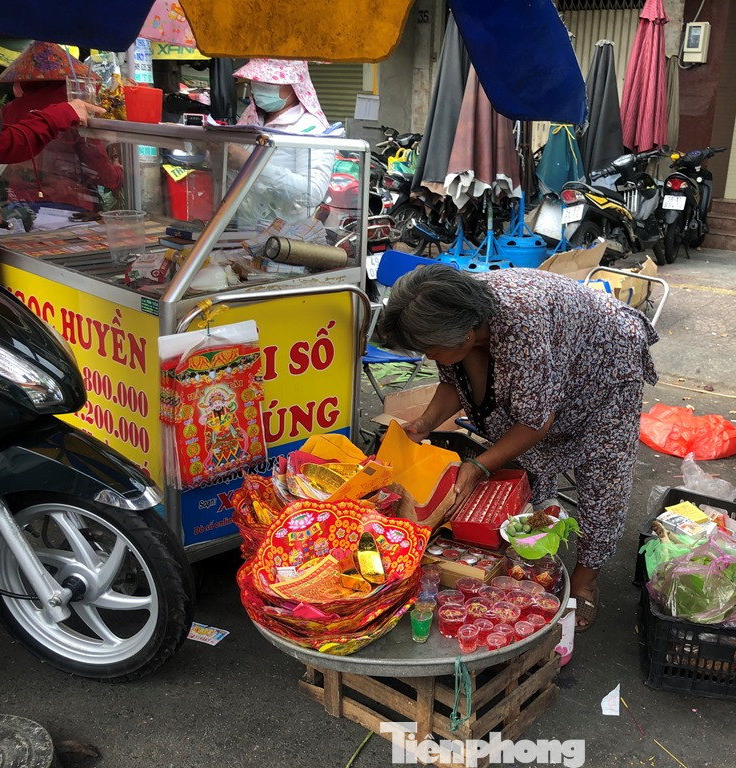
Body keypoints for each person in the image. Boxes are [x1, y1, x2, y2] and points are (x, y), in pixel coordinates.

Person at [378, 266, 660, 631]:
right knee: (525, 454)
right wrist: (423, 424)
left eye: (428, 350)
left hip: (604, 364)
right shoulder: (460, 319)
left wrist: (479, 466)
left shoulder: (522, 327)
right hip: (550, 359)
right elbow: (455, 380)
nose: (428, 358)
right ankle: (537, 547)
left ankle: (587, 578)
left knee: (603, 474)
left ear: (464, 336)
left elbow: (534, 422)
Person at [0, 42, 123, 212]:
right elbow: (100, 168)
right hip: (69, 204)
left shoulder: (8, 111)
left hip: (19, 206)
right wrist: (117, 173)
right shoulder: (75, 110)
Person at [230, 59, 337, 229]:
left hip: (285, 241)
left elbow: (311, 193)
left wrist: (249, 163)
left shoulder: (311, 129)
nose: (258, 85)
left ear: (295, 85)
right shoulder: (251, 119)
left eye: (268, 81)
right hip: (243, 233)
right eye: (256, 80)